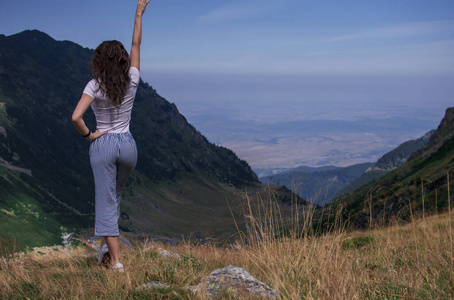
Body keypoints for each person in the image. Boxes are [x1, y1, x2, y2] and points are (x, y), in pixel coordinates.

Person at [72, 0, 151, 273]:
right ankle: (106, 250)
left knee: (105, 201)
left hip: (103, 143)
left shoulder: (94, 85)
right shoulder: (131, 78)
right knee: (114, 197)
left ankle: (116, 263)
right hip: (128, 145)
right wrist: (138, 12)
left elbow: (76, 117)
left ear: (99, 61)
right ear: (122, 60)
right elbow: (137, 45)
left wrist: (89, 136)